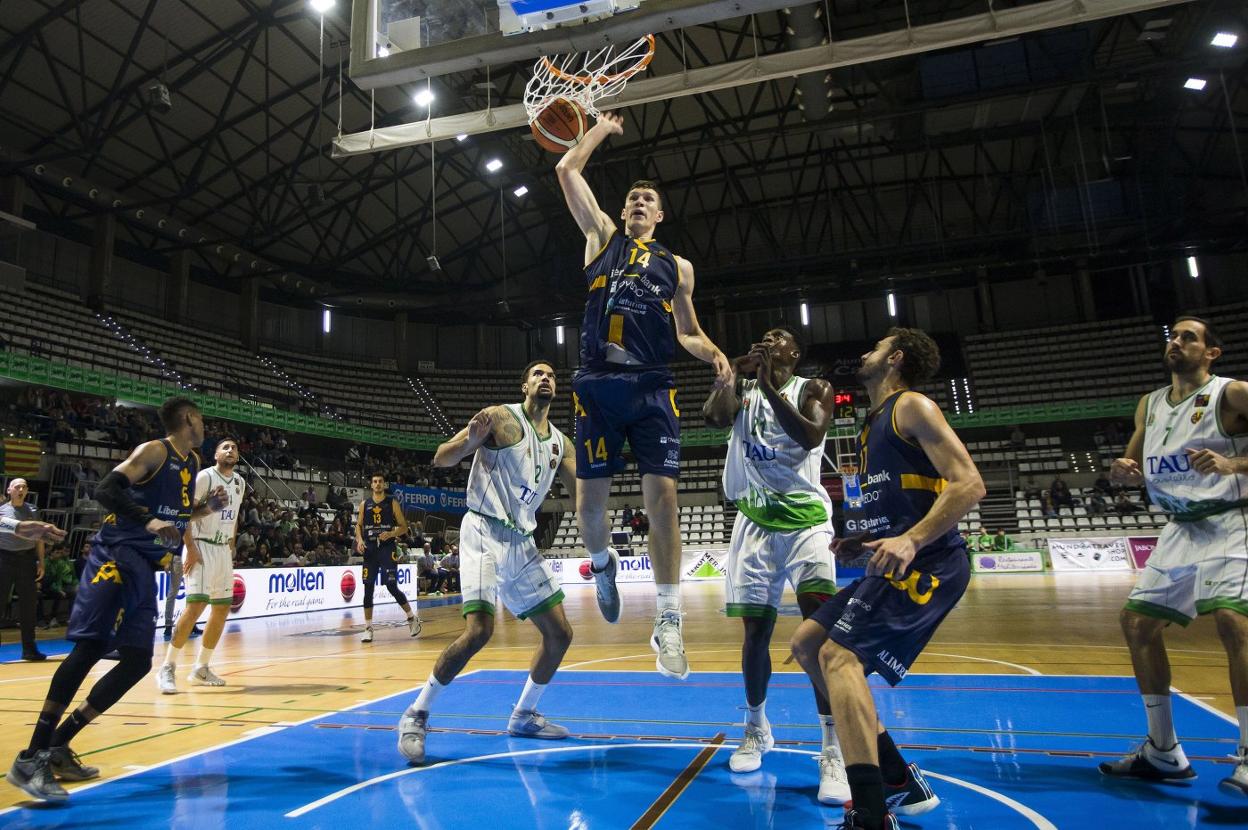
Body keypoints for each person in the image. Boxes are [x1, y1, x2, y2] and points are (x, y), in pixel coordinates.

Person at [555, 111, 732, 678]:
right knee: (589, 508)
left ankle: (669, 620)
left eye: (646, 199)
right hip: (599, 385)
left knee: (665, 501)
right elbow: (565, 166)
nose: (636, 202)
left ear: (659, 215)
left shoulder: (678, 267)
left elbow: (687, 331)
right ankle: (602, 566)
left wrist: (714, 355)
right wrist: (602, 129)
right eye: (632, 196)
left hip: (653, 386)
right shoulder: (600, 236)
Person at [790, 329, 985, 830]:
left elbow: (969, 484)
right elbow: (902, 497)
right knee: (809, 644)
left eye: (875, 347)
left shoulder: (912, 406)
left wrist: (912, 540)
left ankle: (871, 816)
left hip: (930, 560)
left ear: (895, 358)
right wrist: (861, 539)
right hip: (890, 560)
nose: (864, 352)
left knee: (839, 657)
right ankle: (898, 778)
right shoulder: (872, 422)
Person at [5, 397, 227, 802]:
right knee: (89, 648)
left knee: (139, 660)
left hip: (145, 564)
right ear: (189, 419)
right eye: (201, 419)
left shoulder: (192, 460)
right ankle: (31, 755)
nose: (204, 425)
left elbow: (171, 514)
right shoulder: (154, 450)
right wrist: (148, 521)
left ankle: (59, 742)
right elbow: (107, 489)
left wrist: (201, 511)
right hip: (116, 553)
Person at [399, 360, 578, 764]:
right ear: (524, 385)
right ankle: (416, 714)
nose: (545, 378)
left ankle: (524, 715)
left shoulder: (560, 445)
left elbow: (583, 496)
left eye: (551, 374)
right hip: (481, 529)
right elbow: (440, 458)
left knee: (561, 633)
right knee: (479, 631)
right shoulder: (498, 418)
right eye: (537, 373)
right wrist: (468, 443)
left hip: (521, 540)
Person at [1098, 316, 1248, 796]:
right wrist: (1125, 471)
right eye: (1174, 335)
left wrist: (1234, 463)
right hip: (1181, 527)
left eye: (1189, 337)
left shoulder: (1232, 393)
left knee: (1233, 622)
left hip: (1233, 518)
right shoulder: (1150, 404)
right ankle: (1162, 751)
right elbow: (1133, 464)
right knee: (1138, 624)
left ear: (1211, 353)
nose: (1176, 342)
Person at [702, 327, 847, 803]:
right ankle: (756, 727)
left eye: (778, 337)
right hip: (755, 524)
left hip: (807, 524)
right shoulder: (744, 388)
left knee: (819, 637)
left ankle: (833, 747)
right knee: (755, 637)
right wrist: (727, 377)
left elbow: (809, 436)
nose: (768, 340)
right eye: (763, 336)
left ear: (794, 353)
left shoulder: (813, 389)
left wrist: (765, 384)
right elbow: (713, 419)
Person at [156, 437, 246, 694]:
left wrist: (232, 543)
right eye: (225, 447)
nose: (230, 450)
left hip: (222, 549)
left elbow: (235, 516)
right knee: (196, 606)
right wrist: (191, 549)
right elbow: (183, 512)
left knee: (222, 609)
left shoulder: (240, 483)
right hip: (200, 545)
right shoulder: (205, 477)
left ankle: (201, 668)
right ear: (216, 454)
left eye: (234, 448)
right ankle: (168, 667)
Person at [354, 474, 420, 643]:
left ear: (384, 485)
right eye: (374, 481)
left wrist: (391, 533)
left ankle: (412, 618)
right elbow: (359, 526)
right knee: (368, 587)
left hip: (387, 548)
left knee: (391, 585)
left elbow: (404, 527)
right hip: (370, 549)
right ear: (371, 485)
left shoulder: (392, 503)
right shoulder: (364, 504)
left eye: (380, 482)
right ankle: (368, 628)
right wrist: (360, 540)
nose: (377, 484)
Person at [0, 479, 49, 660]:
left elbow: (40, 537)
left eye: (24, 487)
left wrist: (41, 562)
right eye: (17, 487)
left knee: (28, 606)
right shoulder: (2, 510)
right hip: (4, 558)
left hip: (27, 560)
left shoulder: (33, 511)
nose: (21, 489)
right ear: (9, 490)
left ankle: (29, 649)